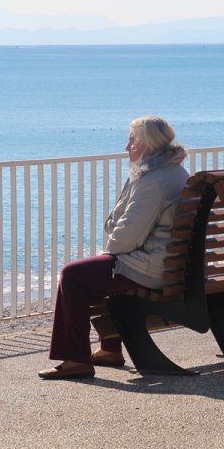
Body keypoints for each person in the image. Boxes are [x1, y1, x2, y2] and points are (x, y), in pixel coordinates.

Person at [39, 116, 189, 380]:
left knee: (74, 275)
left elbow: (124, 241)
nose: (126, 146)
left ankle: (76, 359)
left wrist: (108, 251)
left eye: (132, 139)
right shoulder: (176, 171)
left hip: (153, 268)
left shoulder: (152, 180)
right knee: (97, 271)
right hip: (173, 263)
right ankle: (110, 349)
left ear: (148, 143)